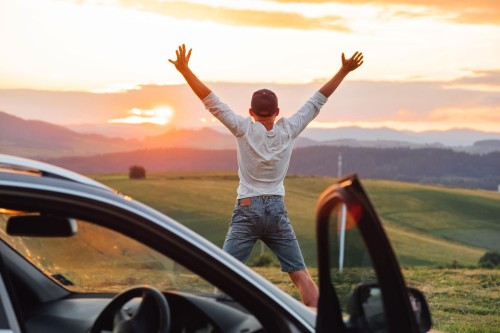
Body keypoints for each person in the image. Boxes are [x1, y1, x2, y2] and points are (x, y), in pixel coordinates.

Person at [169, 44, 363, 307]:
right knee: (301, 275)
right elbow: (318, 100)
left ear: (250, 113)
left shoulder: (243, 129)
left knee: (225, 275)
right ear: (277, 112)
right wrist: (343, 71)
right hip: (276, 209)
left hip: (247, 209)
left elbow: (211, 102)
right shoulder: (290, 129)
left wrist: (185, 71)